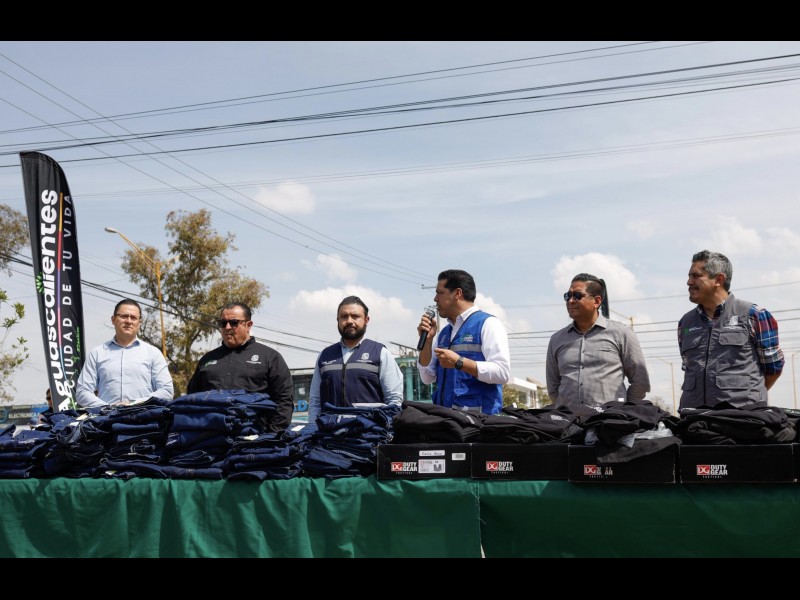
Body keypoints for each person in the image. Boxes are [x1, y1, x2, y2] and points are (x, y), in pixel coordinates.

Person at [678, 250, 784, 409]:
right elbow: (688, 368)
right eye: (689, 276)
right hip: (694, 417)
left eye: (696, 276)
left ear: (719, 279)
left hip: (742, 418)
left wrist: (750, 398)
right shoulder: (685, 323)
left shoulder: (754, 315)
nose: (689, 282)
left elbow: (773, 368)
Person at [546, 273, 650, 408]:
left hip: (610, 419)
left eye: (577, 295)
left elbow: (640, 383)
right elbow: (553, 387)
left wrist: (622, 410)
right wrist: (566, 410)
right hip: (569, 419)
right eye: (568, 296)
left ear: (596, 301)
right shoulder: (557, 339)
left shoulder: (621, 334)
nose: (570, 301)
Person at [186, 302, 294, 433]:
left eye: (234, 322)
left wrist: (271, 436)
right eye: (223, 323)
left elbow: (284, 400)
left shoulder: (270, 357)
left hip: (255, 439)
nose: (227, 327)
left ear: (249, 325)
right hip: (212, 439)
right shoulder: (207, 359)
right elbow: (192, 399)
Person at [416, 269, 511, 414]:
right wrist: (428, 342)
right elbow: (427, 377)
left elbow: (502, 373)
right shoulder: (444, 333)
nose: (435, 299)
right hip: (446, 419)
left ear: (457, 293)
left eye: (440, 293)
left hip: (479, 422)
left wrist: (459, 362)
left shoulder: (488, 324)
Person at [308, 296, 403, 423]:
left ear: (366, 320)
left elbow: (394, 400)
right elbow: (315, 401)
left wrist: (386, 429)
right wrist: (313, 428)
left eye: (355, 316)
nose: (349, 321)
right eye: (344, 316)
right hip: (330, 432)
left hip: (369, 432)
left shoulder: (380, 353)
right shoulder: (324, 356)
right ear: (338, 320)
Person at [76, 299, 174, 408]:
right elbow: (82, 392)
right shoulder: (97, 353)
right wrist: (108, 408)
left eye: (133, 317)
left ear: (139, 322)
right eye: (124, 316)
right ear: (113, 319)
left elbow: (167, 391)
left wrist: (134, 404)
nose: (128, 321)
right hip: (107, 417)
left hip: (144, 416)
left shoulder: (153, 354)